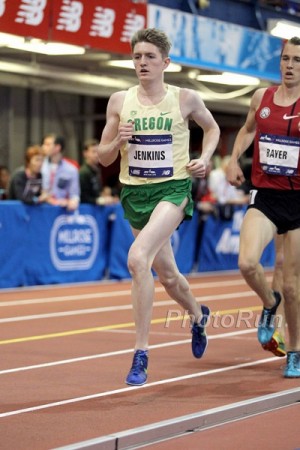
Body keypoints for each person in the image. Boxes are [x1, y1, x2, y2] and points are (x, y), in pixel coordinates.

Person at [98, 28, 220, 386]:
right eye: (137, 56)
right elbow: (103, 156)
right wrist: (117, 140)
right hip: (135, 193)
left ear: (166, 62)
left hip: (173, 190)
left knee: (138, 259)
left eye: (150, 57)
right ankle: (199, 316)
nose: (142, 63)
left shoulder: (185, 98)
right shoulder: (119, 101)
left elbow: (211, 130)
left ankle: (140, 354)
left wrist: (205, 158)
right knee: (168, 276)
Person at [226, 36, 300, 378]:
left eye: (297, 60)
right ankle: (270, 305)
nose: (290, 65)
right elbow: (247, 130)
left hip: (298, 201)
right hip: (267, 197)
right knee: (246, 262)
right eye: (286, 58)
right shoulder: (262, 97)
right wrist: (232, 160)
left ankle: (295, 352)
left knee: (292, 286)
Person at [41, 133, 80, 211]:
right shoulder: (40, 166)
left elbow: (75, 194)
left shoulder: (71, 169)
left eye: (47, 144)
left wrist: (73, 202)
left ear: (57, 147)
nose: (43, 147)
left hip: (61, 210)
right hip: (41, 208)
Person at [79, 138, 118, 205]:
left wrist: (105, 195)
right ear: (85, 153)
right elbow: (82, 197)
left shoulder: (97, 170)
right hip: (87, 210)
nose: (97, 155)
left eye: (98, 152)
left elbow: (96, 192)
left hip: (96, 208)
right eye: (93, 152)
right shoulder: (83, 173)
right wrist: (101, 200)